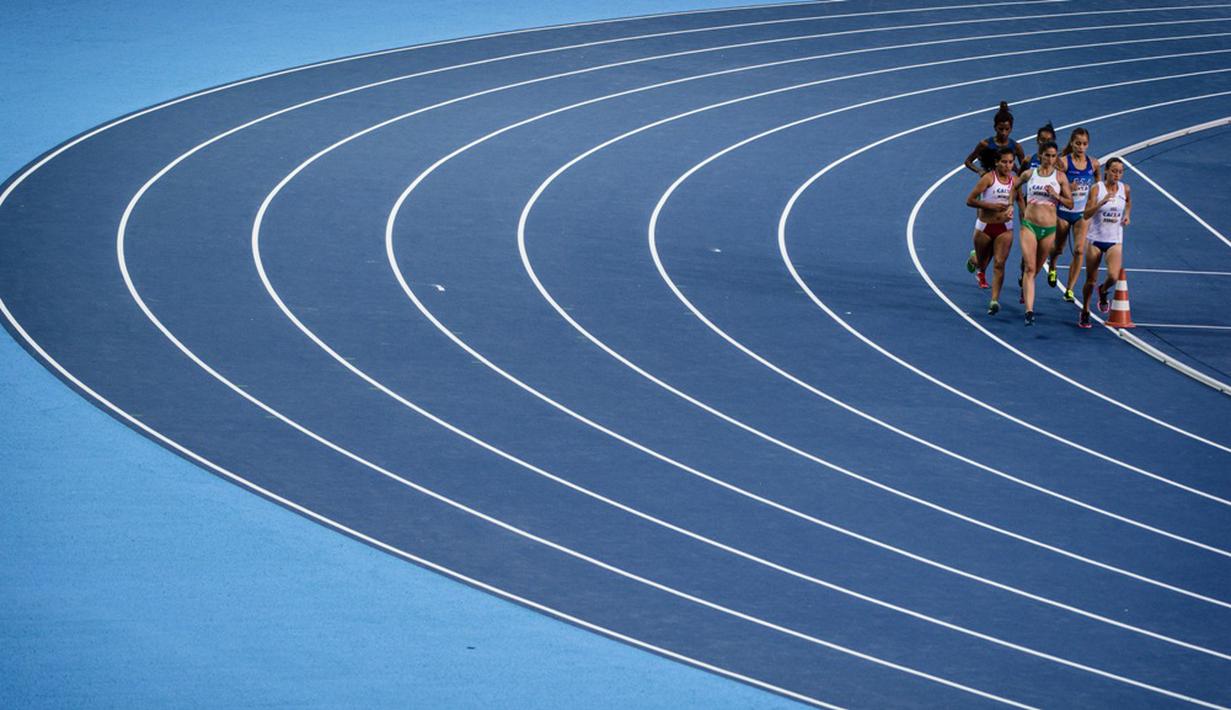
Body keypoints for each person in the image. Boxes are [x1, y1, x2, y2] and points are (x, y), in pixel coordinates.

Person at [1012, 141, 1073, 325]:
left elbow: (1070, 203)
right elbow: (1013, 186)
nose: (1050, 159)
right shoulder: (1029, 174)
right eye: (1047, 155)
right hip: (1029, 225)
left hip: (1049, 230)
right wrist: (1011, 205)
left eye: (1054, 156)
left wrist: (1056, 196)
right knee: (1030, 268)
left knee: (1036, 270)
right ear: (1040, 156)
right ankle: (1029, 311)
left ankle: (1025, 285)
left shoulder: (1060, 177)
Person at [1047, 127, 1100, 302]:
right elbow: (1051, 183)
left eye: (1084, 144)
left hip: (1081, 214)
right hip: (1063, 212)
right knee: (1059, 248)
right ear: (1072, 143)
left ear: (1088, 145)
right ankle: (1052, 265)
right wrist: (1068, 187)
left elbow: (1098, 185)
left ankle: (1069, 289)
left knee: (1079, 250)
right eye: (1078, 143)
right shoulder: (1063, 162)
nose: (1081, 147)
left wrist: (1095, 199)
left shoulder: (1094, 164)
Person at [1078, 157, 1131, 328]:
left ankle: (1103, 290)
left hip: (1114, 240)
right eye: (1114, 171)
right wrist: (1101, 202)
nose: (1117, 175)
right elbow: (1086, 214)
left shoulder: (1125, 189)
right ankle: (1085, 310)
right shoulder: (1097, 188)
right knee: (1090, 280)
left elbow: (1128, 203)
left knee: (1114, 276)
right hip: (1095, 239)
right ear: (1106, 171)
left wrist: (1127, 215)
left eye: (1120, 172)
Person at [965, 147, 1016, 313]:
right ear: (996, 162)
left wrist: (1026, 220)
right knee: (982, 262)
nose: (1007, 166)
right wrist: (991, 206)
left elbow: (1021, 202)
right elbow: (970, 200)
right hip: (984, 227)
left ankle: (994, 300)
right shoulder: (988, 178)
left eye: (1010, 162)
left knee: (999, 263)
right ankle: (974, 259)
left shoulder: (1015, 181)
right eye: (1004, 162)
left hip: (1005, 228)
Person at [1016, 122, 1056, 298]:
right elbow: (1018, 182)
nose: (1044, 143)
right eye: (1042, 140)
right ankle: (1024, 279)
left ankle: (1047, 268)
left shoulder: (1058, 163)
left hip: (1049, 210)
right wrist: (1021, 206)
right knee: (1028, 252)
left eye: (1048, 140)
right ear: (1037, 140)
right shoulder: (1028, 160)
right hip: (1029, 208)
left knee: (1046, 250)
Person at [964, 101, 1027, 175]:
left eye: (1007, 129)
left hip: (1008, 181)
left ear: (1011, 128)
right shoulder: (985, 144)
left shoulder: (1016, 147)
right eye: (1001, 129)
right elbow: (968, 162)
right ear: (995, 127)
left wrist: (1016, 169)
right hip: (989, 180)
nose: (1004, 133)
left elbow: (1023, 171)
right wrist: (979, 171)